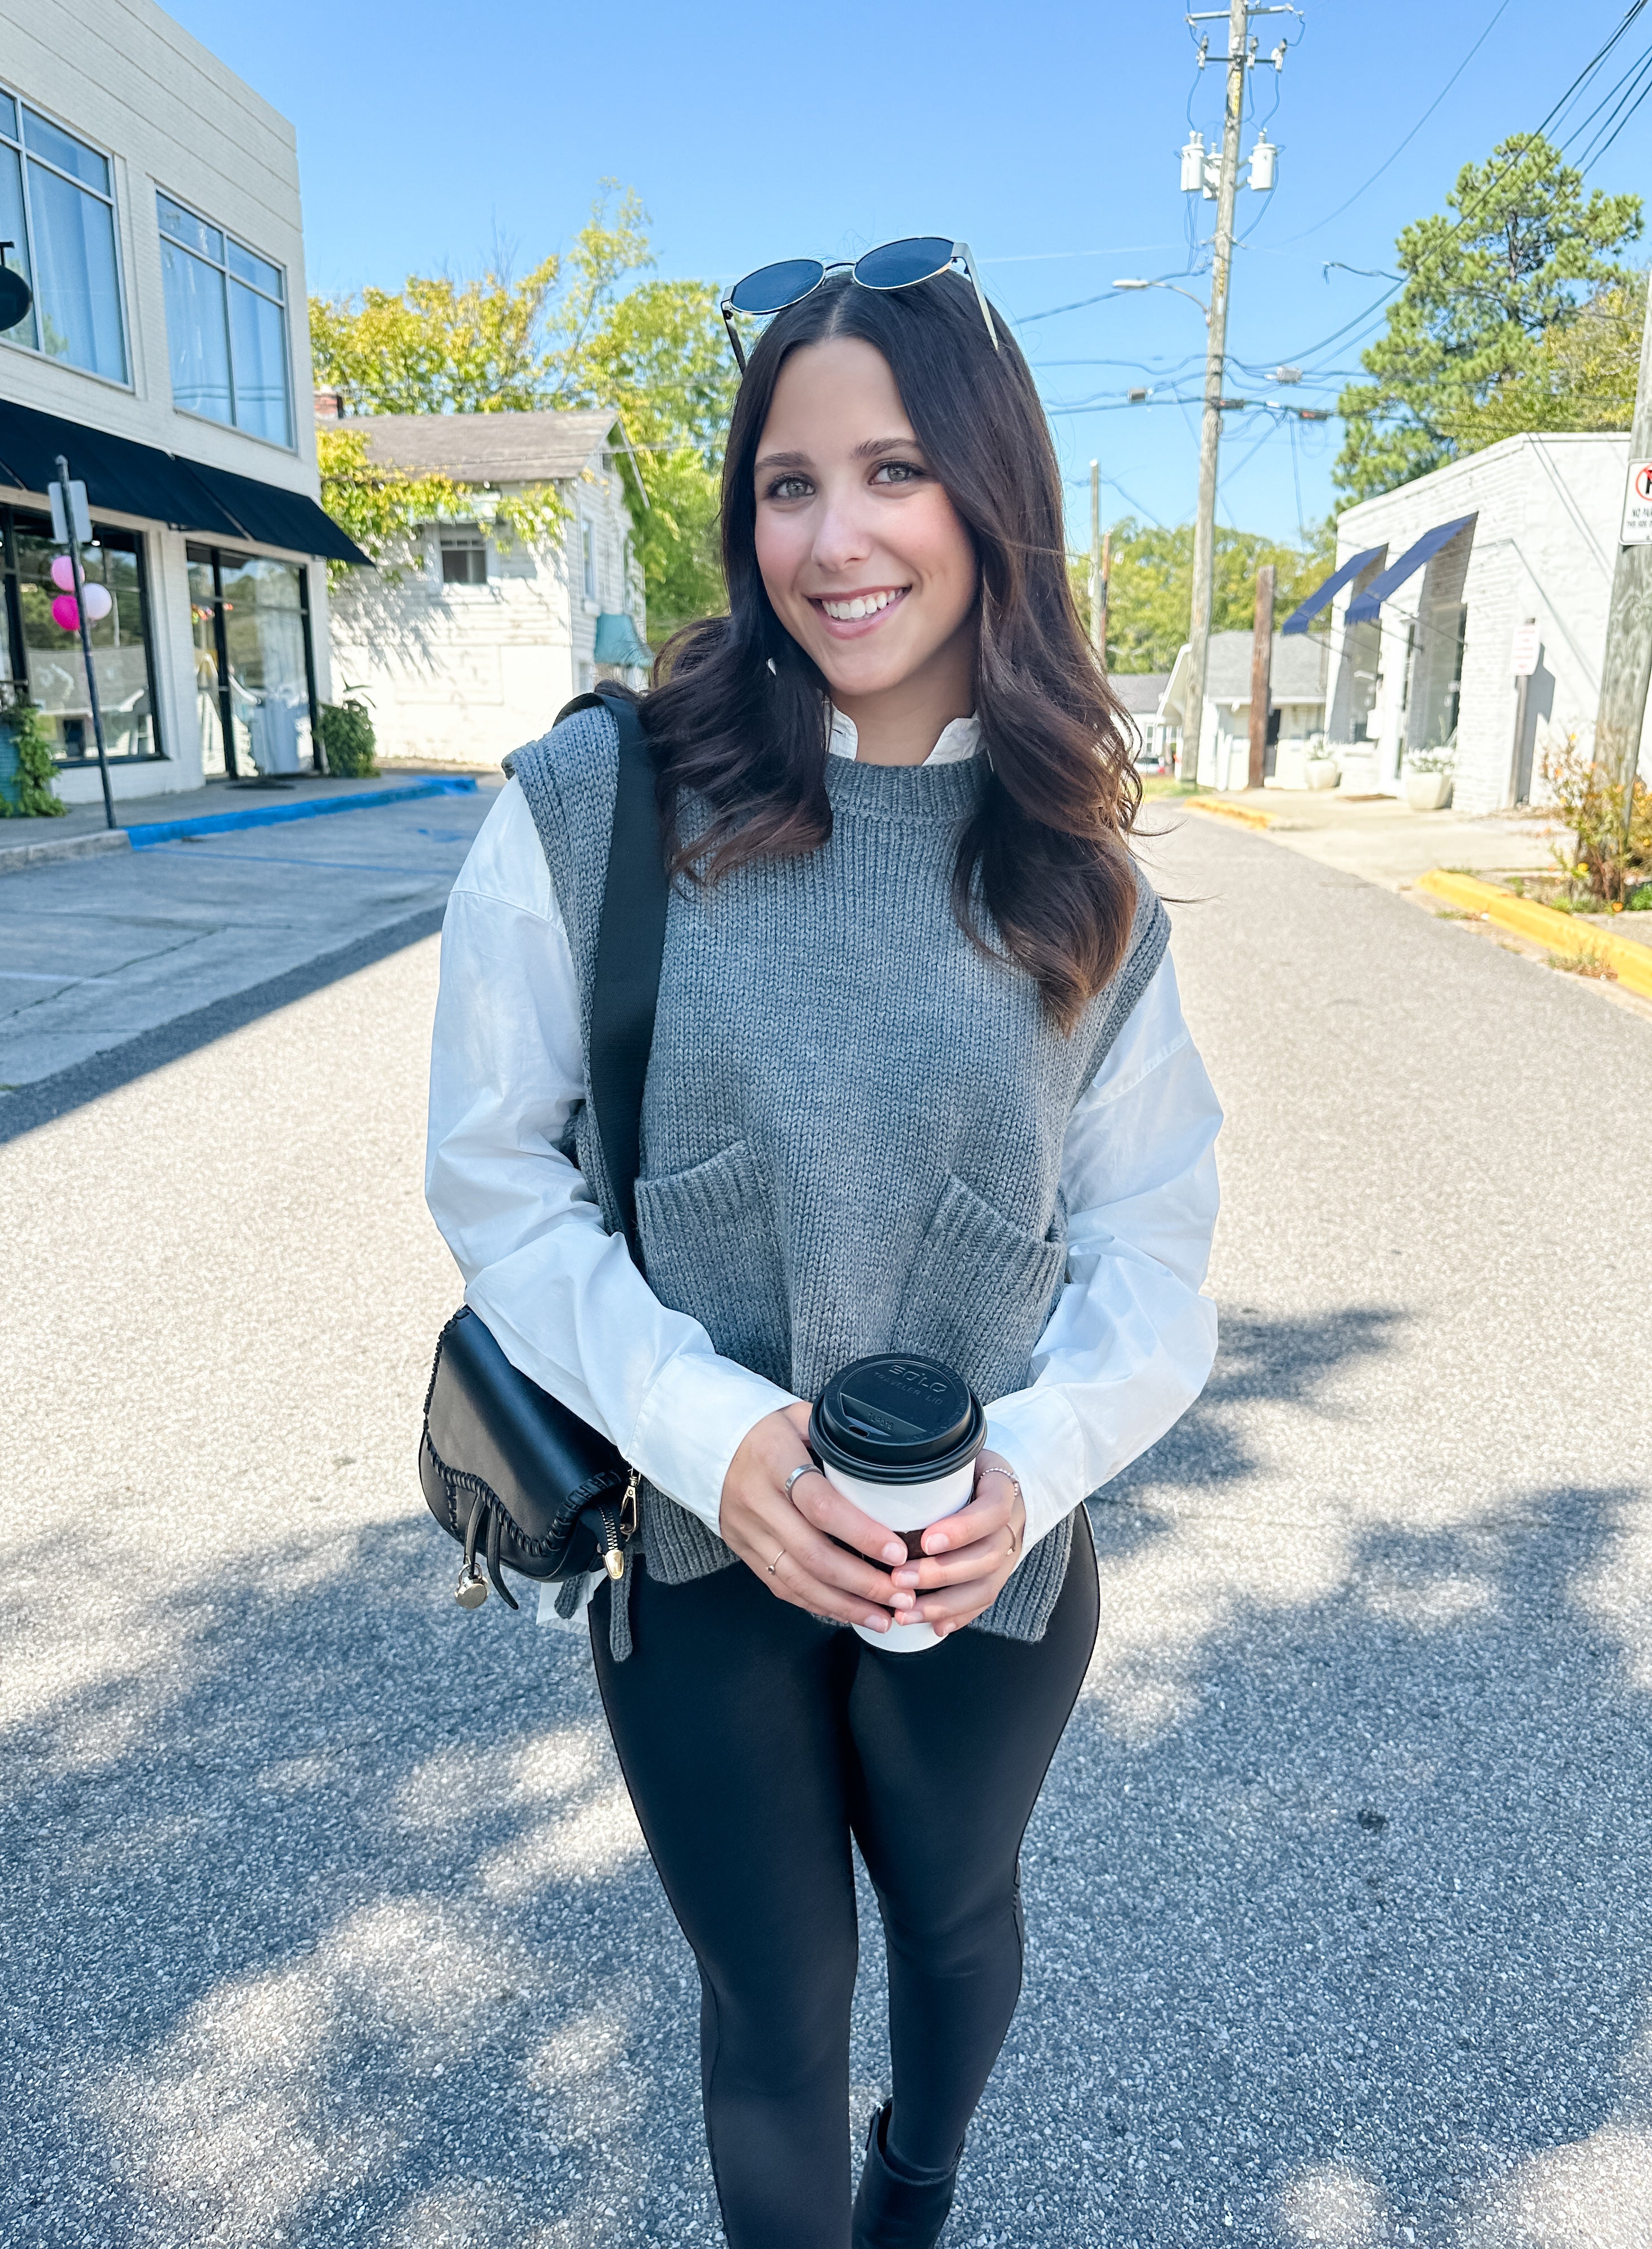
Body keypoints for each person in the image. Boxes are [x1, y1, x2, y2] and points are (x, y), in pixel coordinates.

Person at [425, 248, 1221, 2249]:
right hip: (696, 1544)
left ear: (988, 497)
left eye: (892, 471)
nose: (837, 537)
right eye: (788, 483)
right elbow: (497, 1178)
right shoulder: (602, 802)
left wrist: (1032, 1474)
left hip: (986, 1551)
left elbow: (1154, 1255)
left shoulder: (1081, 878)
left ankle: (920, 2186)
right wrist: (713, 1435)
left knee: (954, 1926)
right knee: (769, 2011)